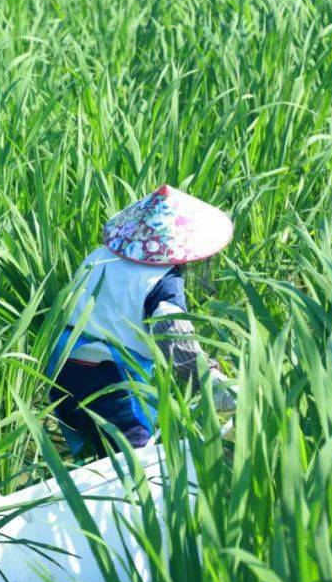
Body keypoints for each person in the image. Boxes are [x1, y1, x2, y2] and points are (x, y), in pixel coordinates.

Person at [49, 184, 237, 457]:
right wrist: (210, 382)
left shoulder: (98, 256)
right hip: (111, 383)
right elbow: (176, 343)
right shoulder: (162, 282)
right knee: (134, 464)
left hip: (64, 370)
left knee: (95, 456)